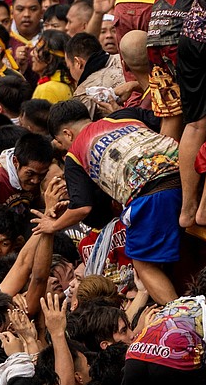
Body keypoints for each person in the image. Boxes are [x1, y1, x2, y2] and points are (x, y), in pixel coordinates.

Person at [43, 99, 181, 304]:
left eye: (62, 145)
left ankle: (180, 313)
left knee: (143, 265)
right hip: (187, 172)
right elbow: (168, 118)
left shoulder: (75, 155)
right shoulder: (123, 115)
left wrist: (52, 225)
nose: (65, 151)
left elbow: (82, 208)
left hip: (151, 193)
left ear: (67, 134)